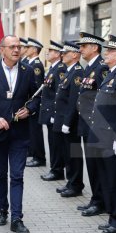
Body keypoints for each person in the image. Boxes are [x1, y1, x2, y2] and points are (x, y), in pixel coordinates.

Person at [0, 35, 40, 233]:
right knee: (0, 174)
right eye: (12, 47)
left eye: (19, 47)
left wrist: (29, 110)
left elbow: (37, 97)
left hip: (20, 134)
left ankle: (17, 218)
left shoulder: (27, 71)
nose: (16, 50)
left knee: (18, 176)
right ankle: (2, 209)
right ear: (2, 50)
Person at [87, 35, 116, 233]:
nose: (105, 54)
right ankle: (113, 216)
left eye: (110, 51)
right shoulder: (111, 73)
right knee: (107, 179)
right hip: (102, 136)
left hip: (112, 137)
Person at [76, 32, 109, 217]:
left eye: (84, 46)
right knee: (92, 166)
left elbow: (104, 99)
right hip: (87, 124)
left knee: (98, 166)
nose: (80, 49)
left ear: (95, 47)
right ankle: (96, 198)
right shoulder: (89, 67)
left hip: (97, 127)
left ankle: (100, 201)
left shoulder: (101, 68)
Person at [53, 41, 85, 197]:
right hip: (63, 120)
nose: (62, 55)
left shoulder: (78, 72)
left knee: (74, 154)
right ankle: (70, 181)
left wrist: (67, 122)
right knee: (67, 153)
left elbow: (74, 100)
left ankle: (76, 184)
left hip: (71, 122)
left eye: (65, 53)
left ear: (74, 55)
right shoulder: (69, 71)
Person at [40, 40, 67, 181]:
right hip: (49, 113)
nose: (47, 53)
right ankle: (54, 168)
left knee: (56, 144)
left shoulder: (60, 69)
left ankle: (57, 170)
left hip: (54, 114)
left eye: (50, 51)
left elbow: (58, 94)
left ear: (57, 54)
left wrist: (54, 114)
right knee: (52, 142)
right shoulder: (52, 68)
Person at [24, 37, 46, 167]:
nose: (25, 50)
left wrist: (31, 104)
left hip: (34, 104)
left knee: (36, 132)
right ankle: (33, 154)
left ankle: (39, 158)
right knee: (31, 131)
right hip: (29, 103)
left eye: (28, 48)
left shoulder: (36, 65)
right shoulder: (30, 62)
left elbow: (36, 89)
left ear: (34, 50)